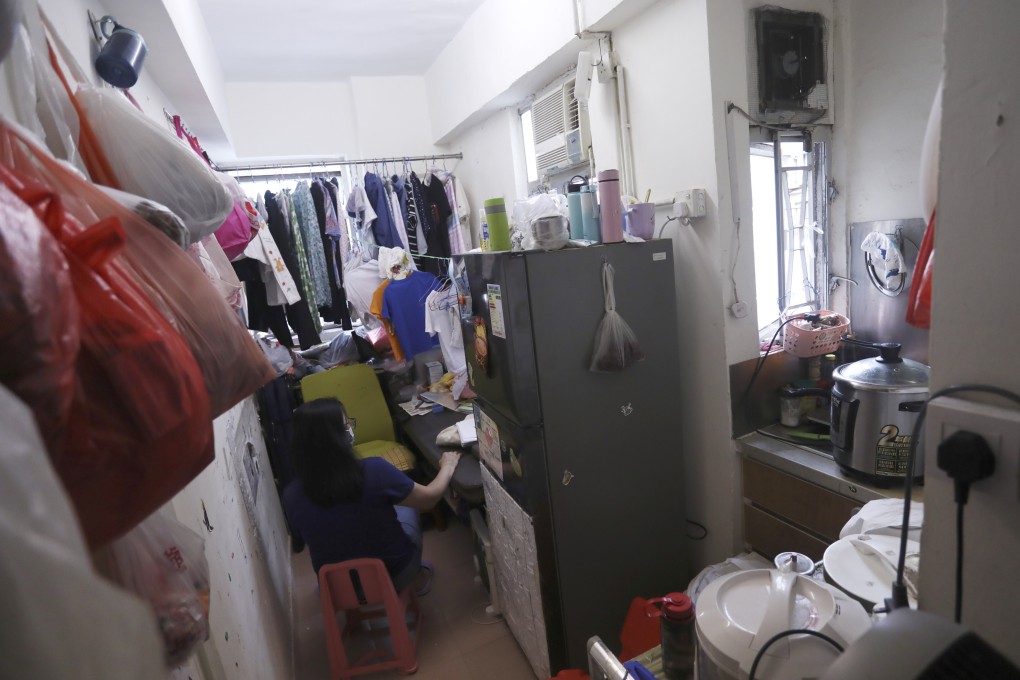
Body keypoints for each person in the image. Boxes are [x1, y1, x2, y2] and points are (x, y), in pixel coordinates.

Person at [282, 397, 461, 595]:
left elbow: (311, 535)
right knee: (406, 508)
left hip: (335, 589)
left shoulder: (290, 495)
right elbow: (429, 499)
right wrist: (448, 465)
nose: (350, 429)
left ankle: (347, 591)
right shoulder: (374, 470)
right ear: (335, 437)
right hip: (394, 576)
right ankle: (416, 578)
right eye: (346, 425)